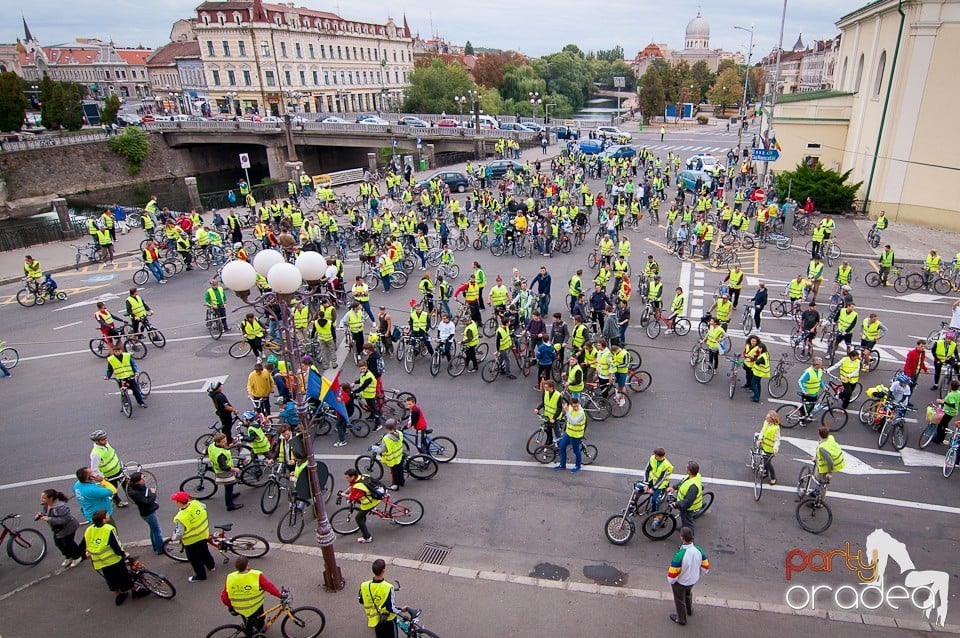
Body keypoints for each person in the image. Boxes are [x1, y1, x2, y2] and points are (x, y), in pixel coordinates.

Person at [80, 509, 141, 605]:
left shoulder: (89, 529)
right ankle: (134, 591)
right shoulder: (108, 529)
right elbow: (116, 546)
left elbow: (83, 544)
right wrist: (124, 554)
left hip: (100, 561)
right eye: (107, 515)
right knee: (125, 576)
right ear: (103, 520)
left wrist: (84, 555)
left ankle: (118, 595)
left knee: (110, 579)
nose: (108, 515)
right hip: (113, 559)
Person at [221, 556, 284, 636]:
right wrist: (280, 595)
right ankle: (259, 632)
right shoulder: (256, 575)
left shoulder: (231, 577)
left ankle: (249, 631)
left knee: (247, 620)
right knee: (260, 619)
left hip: (239, 607)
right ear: (247, 565)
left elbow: (224, 597)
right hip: (255, 606)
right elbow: (269, 587)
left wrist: (230, 607)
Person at [666, 526, 710, 626]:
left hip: (681, 582)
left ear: (682, 537)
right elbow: (706, 567)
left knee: (679, 600)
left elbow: (672, 574)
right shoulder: (698, 550)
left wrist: (672, 582)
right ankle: (689, 610)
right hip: (693, 580)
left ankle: (681, 619)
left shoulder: (680, 554)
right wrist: (697, 575)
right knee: (688, 593)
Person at [170, 491, 216, 582]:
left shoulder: (181, 517)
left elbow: (179, 533)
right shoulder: (196, 504)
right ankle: (211, 566)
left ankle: (201, 576)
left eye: (176, 501)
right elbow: (204, 507)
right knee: (205, 551)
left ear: (179, 503)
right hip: (203, 534)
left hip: (191, 540)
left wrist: (174, 538)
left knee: (195, 559)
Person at [359, 558, 407, 638]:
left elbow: (361, 600)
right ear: (383, 570)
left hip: (375, 620)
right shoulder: (388, 587)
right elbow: (390, 608)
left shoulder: (364, 585)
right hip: (388, 620)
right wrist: (401, 610)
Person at [38, 488, 83, 568]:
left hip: (68, 528)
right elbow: (47, 513)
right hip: (58, 530)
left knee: (68, 543)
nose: (41, 499)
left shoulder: (60, 507)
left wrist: (49, 519)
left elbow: (65, 519)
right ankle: (68, 556)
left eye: (44, 498)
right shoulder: (46, 505)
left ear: (50, 498)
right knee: (59, 543)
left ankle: (76, 556)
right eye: (41, 497)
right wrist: (41, 515)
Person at [126, 471, 164, 555]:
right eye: (142, 479)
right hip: (148, 512)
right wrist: (153, 494)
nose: (144, 480)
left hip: (146, 512)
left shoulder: (135, 488)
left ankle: (156, 547)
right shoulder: (135, 493)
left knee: (153, 529)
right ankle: (160, 549)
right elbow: (147, 501)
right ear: (137, 481)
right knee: (157, 531)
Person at [88, 429, 128, 508]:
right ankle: (117, 501)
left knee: (126, 484)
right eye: (103, 439)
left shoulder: (106, 444)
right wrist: (102, 477)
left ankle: (132, 496)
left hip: (117, 469)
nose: (105, 440)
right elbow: (94, 469)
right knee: (113, 490)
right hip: (109, 475)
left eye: (106, 438)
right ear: (97, 441)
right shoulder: (95, 454)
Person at [342, 468, 381, 544]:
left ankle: (367, 537)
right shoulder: (362, 476)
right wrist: (346, 491)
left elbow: (352, 497)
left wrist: (342, 494)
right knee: (362, 513)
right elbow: (352, 487)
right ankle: (372, 510)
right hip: (375, 495)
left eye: (347, 478)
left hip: (370, 502)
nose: (346, 479)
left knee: (358, 518)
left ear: (353, 477)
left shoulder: (358, 486)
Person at [208, 432, 243, 511]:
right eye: (223, 441)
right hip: (224, 472)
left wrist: (227, 447)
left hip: (217, 468)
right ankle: (230, 505)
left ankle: (231, 495)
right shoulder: (220, 455)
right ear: (218, 442)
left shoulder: (212, 446)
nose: (226, 442)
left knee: (229, 487)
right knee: (228, 487)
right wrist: (234, 469)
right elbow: (224, 467)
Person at [668, 461, 704, 533]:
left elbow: (687, 503)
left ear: (689, 471)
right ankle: (683, 526)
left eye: (686, 468)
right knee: (683, 517)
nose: (685, 468)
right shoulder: (694, 475)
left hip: (689, 508)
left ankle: (690, 540)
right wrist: (674, 487)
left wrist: (676, 504)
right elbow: (683, 481)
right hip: (684, 503)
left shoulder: (693, 487)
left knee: (688, 522)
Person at [552, 396, 586, 473]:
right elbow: (567, 416)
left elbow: (573, 422)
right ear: (571, 405)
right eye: (574, 406)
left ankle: (578, 466)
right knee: (562, 447)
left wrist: (567, 412)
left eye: (577, 405)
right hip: (568, 433)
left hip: (576, 435)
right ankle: (562, 464)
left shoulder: (581, 413)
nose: (576, 407)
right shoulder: (570, 408)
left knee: (576, 451)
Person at [377, 420, 405, 491]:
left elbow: (381, 450)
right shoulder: (399, 433)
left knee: (394, 472)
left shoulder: (386, 438)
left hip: (392, 459)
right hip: (399, 455)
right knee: (400, 469)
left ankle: (395, 485)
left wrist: (374, 448)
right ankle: (402, 482)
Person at [758, 411, 781, 484]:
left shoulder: (776, 428)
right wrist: (760, 438)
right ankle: (766, 472)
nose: (766, 418)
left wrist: (775, 448)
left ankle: (773, 477)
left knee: (767, 463)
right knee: (765, 461)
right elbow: (762, 431)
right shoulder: (766, 422)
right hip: (764, 445)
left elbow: (777, 440)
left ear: (772, 419)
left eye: (767, 417)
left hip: (770, 449)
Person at [935, 379, 960, 444]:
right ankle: (941, 437)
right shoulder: (958, 393)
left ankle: (939, 438)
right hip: (953, 412)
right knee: (945, 423)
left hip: (949, 412)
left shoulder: (951, 395)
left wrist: (944, 402)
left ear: (951, 386)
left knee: (941, 424)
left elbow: (952, 404)